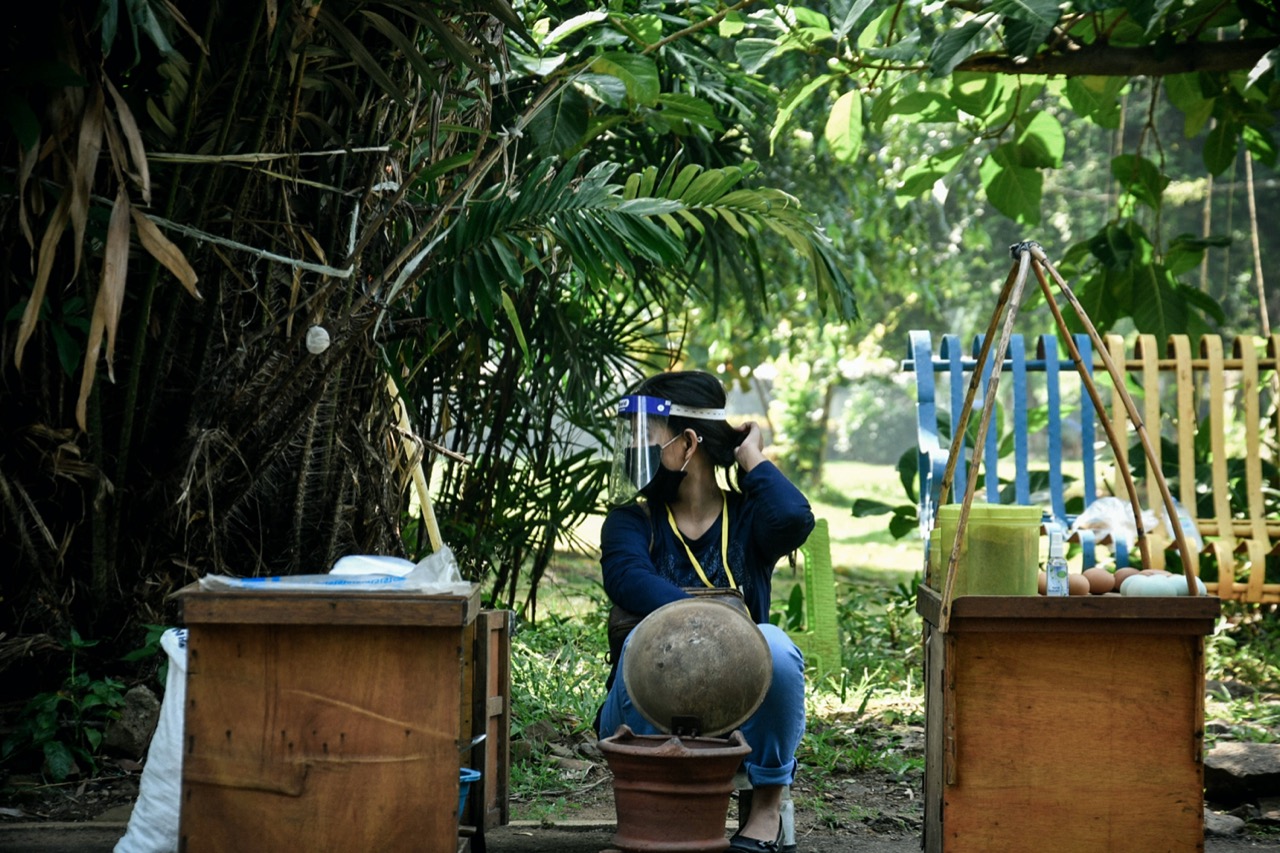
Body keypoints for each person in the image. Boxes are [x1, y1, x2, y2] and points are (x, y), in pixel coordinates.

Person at [594, 370, 814, 853]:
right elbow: (628, 578)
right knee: (643, 642)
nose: (634, 449)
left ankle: (766, 809)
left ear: (688, 444)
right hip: (642, 707)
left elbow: (794, 518)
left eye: (647, 435)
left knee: (774, 647)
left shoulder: (750, 519)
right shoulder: (632, 520)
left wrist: (751, 456)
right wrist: (718, 626)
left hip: (737, 707)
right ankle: (659, 818)